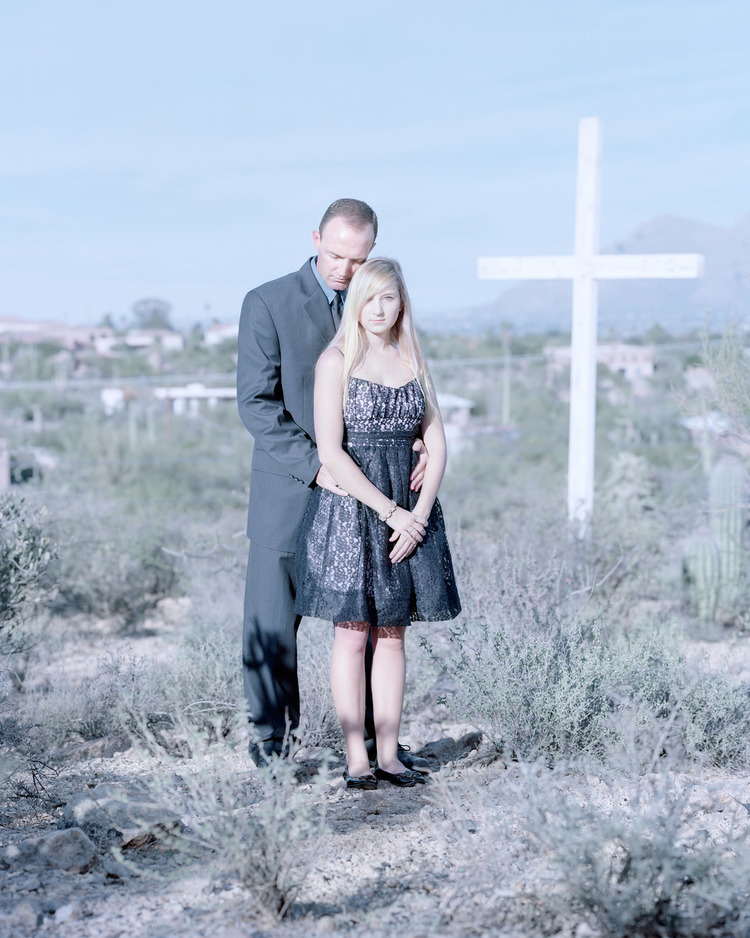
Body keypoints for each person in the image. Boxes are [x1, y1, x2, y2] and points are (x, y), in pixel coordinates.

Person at [237, 200, 428, 766]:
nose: (345, 269)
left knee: (366, 621)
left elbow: (400, 384)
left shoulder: (381, 305)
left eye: (359, 257)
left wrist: (413, 436)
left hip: (368, 493)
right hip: (290, 490)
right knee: (272, 625)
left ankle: (372, 747)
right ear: (316, 237)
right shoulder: (267, 302)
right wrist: (316, 465)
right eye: (336, 254)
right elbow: (255, 403)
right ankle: (275, 753)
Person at [294, 257, 461, 789]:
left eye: (389, 298)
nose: (379, 308)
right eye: (369, 298)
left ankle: (389, 756)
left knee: (392, 635)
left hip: (410, 514)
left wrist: (417, 516)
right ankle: (356, 761)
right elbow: (331, 453)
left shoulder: (414, 358)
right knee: (351, 634)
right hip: (354, 510)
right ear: (356, 304)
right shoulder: (335, 360)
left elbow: (436, 444)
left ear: (401, 302)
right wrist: (391, 512)